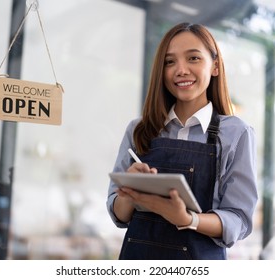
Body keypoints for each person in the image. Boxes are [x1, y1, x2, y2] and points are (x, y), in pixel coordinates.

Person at [106, 22, 258, 260]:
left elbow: (239, 219)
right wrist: (128, 194)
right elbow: (119, 214)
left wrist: (188, 219)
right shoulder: (139, 129)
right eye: (170, 62)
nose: (181, 70)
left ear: (215, 66)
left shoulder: (236, 133)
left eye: (193, 58)